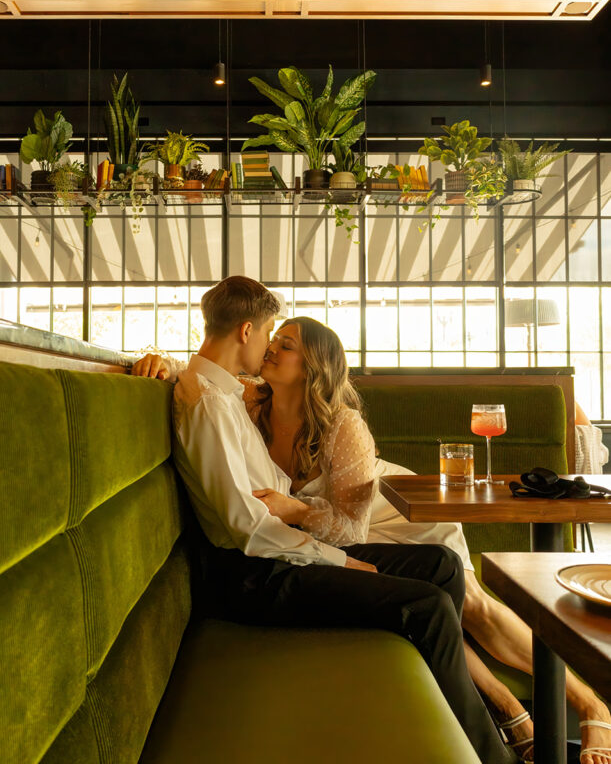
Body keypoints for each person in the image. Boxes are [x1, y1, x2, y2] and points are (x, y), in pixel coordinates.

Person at [135, 311, 611, 764]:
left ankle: (590, 704)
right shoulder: (250, 399)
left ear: (314, 367)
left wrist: (298, 509)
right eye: (273, 338)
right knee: (425, 601)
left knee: (471, 603)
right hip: (306, 532)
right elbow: (206, 376)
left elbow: (349, 524)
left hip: (378, 512)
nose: (272, 347)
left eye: (287, 344)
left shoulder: (343, 425)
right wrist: (161, 360)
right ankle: (507, 709)